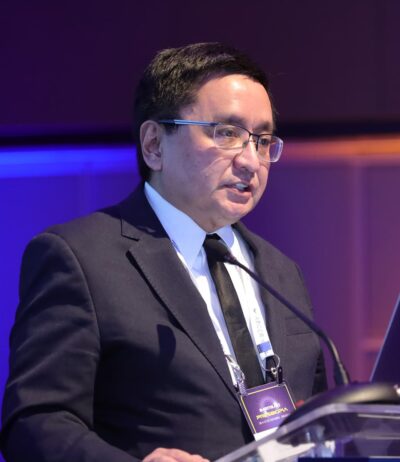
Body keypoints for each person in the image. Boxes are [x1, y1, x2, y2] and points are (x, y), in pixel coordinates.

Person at [0, 43, 327, 462]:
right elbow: (34, 423)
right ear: (154, 144)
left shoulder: (282, 272)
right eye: (227, 133)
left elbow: (318, 418)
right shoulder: (80, 259)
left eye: (262, 141)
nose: (251, 161)